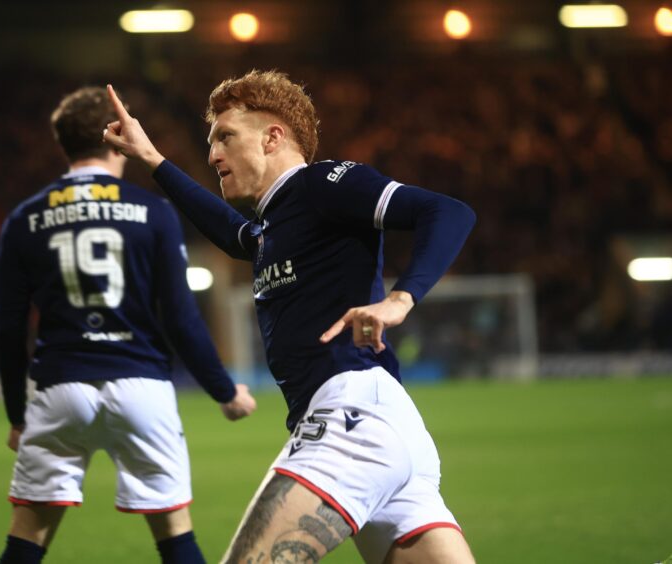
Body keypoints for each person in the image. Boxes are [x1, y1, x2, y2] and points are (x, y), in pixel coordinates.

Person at [102, 70, 477, 563]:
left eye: (225, 137)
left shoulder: (321, 184)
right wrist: (152, 159)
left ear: (273, 136)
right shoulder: (273, 228)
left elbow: (448, 212)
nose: (214, 154)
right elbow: (229, 231)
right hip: (385, 426)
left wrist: (400, 298)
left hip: (352, 417)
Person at [0, 86, 257, 564]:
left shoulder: (25, 218)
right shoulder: (153, 212)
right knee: (176, 534)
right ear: (117, 136)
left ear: (64, 144)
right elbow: (180, 319)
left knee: (27, 537)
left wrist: (17, 414)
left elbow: (9, 328)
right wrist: (225, 392)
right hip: (141, 387)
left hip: (59, 388)